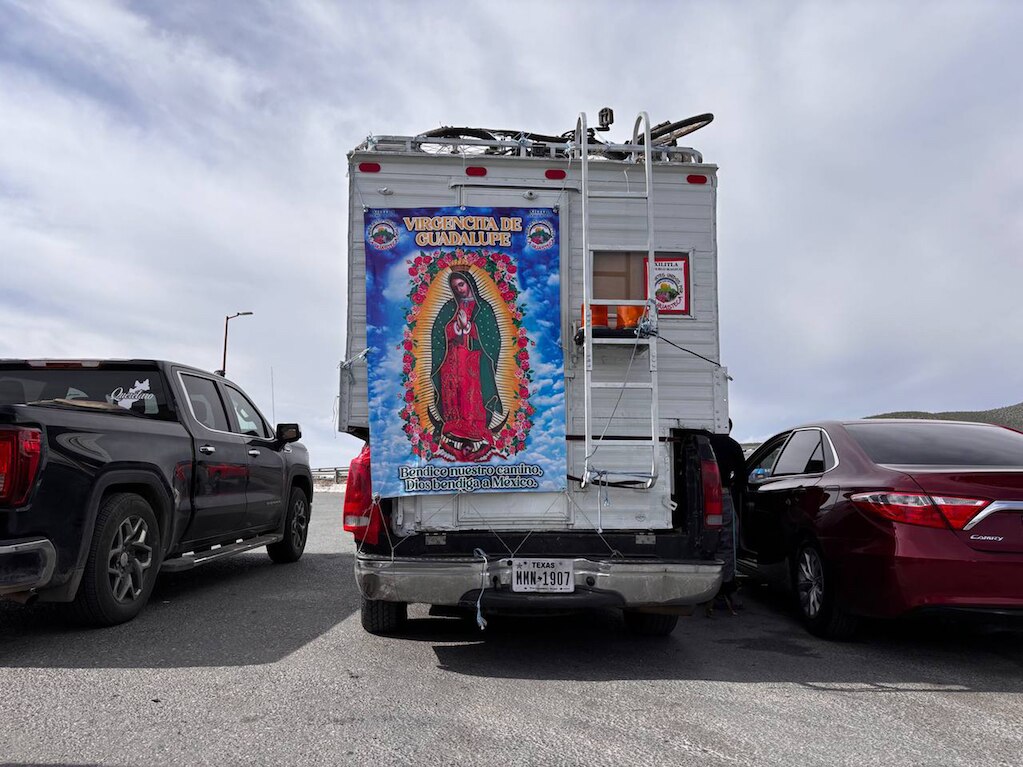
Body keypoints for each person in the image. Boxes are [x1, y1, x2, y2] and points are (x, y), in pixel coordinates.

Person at [429, 270, 503, 449]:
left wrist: (469, 327)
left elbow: (492, 336)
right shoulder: (449, 307)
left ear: (469, 283)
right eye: (455, 287)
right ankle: (454, 425)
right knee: (454, 393)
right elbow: (438, 333)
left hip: (475, 360)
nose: (459, 289)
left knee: (473, 393)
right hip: (452, 360)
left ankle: (476, 428)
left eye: (461, 284)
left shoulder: (483, 307)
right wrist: (455, 327)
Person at [708, 419, 746, 613]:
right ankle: (727, 586)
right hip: (721, 494)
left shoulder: (703, 442)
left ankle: (707, 588)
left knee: (708, 541)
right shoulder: (731, 445)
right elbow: (742, 476)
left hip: (697, 496)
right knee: (728, 540)